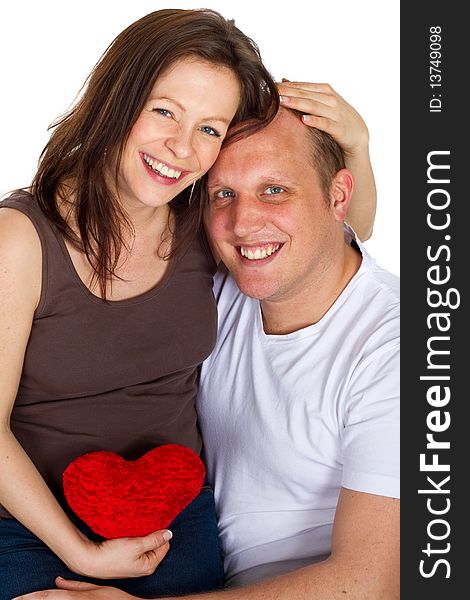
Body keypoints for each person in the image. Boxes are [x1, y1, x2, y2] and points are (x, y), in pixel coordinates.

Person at [0, 7, 377, 600]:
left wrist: (356, 143)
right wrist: (84, 555)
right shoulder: (21, 238)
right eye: (163, 111)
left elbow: (339, 231)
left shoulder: (207, 222)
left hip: (178, 518)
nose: (181, 146)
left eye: (210, 128)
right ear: (117, 101)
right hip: (31, 525)